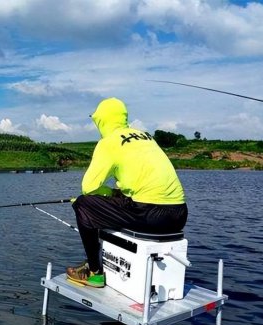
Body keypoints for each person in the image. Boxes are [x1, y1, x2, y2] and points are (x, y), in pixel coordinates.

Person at [67, 97, 188, 287]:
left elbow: (88, 187)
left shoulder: (108, 142)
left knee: (83, 204)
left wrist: (109, 193)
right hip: (179, 215)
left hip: (150, 215)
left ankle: (94, 271)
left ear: (102, 120)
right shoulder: (145, 136)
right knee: (105, 203)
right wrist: (117, 194)